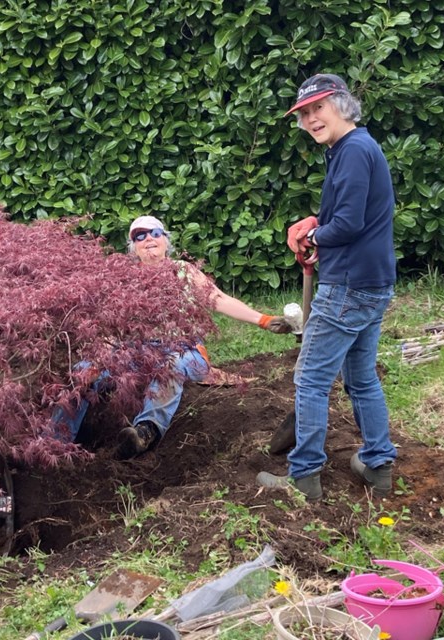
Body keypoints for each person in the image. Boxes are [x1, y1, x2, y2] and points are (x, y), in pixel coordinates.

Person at [256, 73, 398, 502]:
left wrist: (314, 238)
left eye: (319, 108)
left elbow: (351, 223)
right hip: (371, 283)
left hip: (349, 287)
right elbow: (349, 218)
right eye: (304, 113)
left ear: (342, 104)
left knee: (311, 381)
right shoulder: (353, 148)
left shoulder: (352, 151)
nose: (311, 119)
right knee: (361, 380)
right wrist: (319, 227)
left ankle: (304, 476)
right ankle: (377, 464)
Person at [48, 214, 293, 459]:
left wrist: (262, 320)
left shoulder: (184, 272)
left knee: (170, 365)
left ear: (166, 240)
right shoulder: (125, 280)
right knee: (83, 371)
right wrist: (97, 359)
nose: (148, 240)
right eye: (140, 236)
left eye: (155, 233)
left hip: (185, 352)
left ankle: (145, 432)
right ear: (133, 248)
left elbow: (220, 301)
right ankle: (52, 444)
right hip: (138, 354)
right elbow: (108, 326)